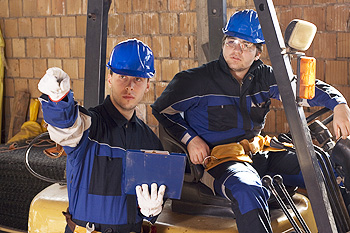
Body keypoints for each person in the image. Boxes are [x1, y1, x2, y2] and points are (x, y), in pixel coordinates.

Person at [151, 9, 350, 233]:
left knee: (322, 165)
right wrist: (190, 139)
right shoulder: (195, 81)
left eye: (246, 45)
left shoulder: (264, 77)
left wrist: (339, 104)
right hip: (220, 161)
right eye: (231, 41)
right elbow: (162, 110)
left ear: (258, 52)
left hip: (257, 153)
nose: (236, 49)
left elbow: (305, 85)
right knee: (248, 189)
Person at [38, 39, 166, 233]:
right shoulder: (89, 126)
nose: (130, 86)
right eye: (123, 76)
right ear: (110, 79)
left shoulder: (150, 141)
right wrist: (58, 100)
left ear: (148, 85)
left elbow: (157, 193)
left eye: (138, 79)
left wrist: (152, 211)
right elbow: (66, 126)